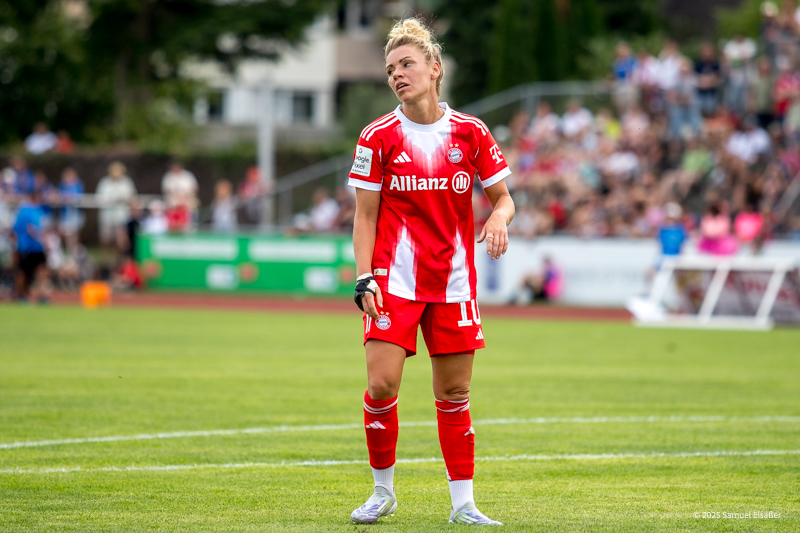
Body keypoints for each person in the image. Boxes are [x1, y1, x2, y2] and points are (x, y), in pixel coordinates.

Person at [348, 18, 514, 526]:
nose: (397, 74)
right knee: (380, 386)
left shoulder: (471, 132)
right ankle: (382, 492)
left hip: (454, 283)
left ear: (434, 69)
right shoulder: (379, 136)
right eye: (390, 69)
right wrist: (364, 277)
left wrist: (498, 220)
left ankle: (463, 505)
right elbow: (365, 215)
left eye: (407, 64)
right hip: (393, 281)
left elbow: (504, 199)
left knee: (455, 394)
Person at [13, 191, 51, 302]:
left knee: (42, 270)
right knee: (23, 271)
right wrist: (43, 241)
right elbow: (30, 229)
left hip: (37, 248)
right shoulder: (24, 211)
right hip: (26, 247)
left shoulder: (39, 211)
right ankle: (21, 295)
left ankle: (42, 295)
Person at [96, 161, 137, 246]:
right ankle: (105, 257)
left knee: (121, 238)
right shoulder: (105, 182)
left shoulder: (126, 182)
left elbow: (132, 197)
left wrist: (123, 200)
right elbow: (99, 198)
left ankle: (121, 258)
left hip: (121, 216)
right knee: (106, 239)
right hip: (107, 216)